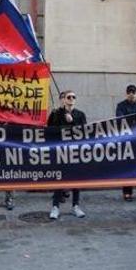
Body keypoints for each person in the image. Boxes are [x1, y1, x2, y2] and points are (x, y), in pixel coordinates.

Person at [49, 90, 87, 220]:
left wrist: (72, 121)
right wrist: (57, 116)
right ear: (63, 99)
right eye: (69, 97)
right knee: (59, 179)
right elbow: (50, 129)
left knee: (76, 179)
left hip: (75, 151)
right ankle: (55, 206)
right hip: (60, 151)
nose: (71, 99)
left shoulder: (80, 114)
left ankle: (76, 206)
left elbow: (84, 132)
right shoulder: (56, 113)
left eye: (73, 97)